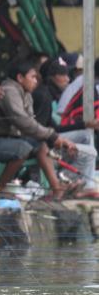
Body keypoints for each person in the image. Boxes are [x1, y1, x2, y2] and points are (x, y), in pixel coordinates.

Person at [0, 59, 77, 197]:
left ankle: (56, 188)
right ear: (20, 78)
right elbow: (23, 122)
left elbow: (30, 122)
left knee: (41, 145)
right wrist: (52, 136)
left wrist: (52, 137)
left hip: (8, 138)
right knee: (22, 148)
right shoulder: (9, 90)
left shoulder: (26, 94)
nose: (36, 81)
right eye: (32, 77)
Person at [33, 58, 99, 197]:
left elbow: (55, 128)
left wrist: (85, 124)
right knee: (90, 152)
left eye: (67, 74)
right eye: (62, 75)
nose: (68, 79)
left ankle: (80, 183)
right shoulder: (43, 95)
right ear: (51, 76)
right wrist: (59, 140)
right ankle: (72, 183)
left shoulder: (49, 94)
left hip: (49, 138)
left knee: (87, 134)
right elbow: (38, 131)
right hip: (41, 144)